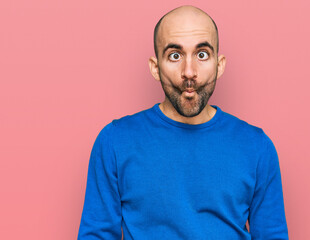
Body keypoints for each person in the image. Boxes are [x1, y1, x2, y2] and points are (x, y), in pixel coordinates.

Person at [78, 5, 289, 240]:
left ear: (219, 66)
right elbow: (95, 235)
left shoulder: (257, 147)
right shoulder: (114, 142)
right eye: (175, 56)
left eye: (202, 54)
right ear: (155, 67)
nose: (189, 72)